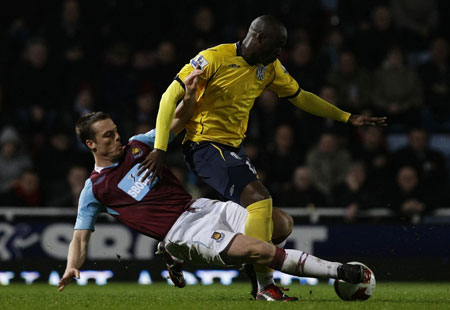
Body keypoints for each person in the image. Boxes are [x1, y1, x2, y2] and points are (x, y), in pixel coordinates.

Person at [139, 15, 386, 299]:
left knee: (280, 225)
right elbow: (168, 98)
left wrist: (346, 117)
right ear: (257, 37)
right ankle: (264, 286)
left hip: (232, 149)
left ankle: (178, 251)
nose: (280, 53)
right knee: (260, 200)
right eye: (277, 45)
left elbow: (301, 96)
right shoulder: (213, 58)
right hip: (204, 146)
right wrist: (160, 148)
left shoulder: (269, 68)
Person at [57, 110, 370, 301]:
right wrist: (73, 265)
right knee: (259, 250)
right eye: (108, 136)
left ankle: (262, 286)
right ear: (91, 144)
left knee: (282, 223)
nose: (117, 137)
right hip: (183, 232)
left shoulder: (139, 144)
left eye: (116, 131)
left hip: (202, 207)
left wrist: (190, 92)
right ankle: (338, 270)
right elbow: (80, 237)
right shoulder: (95, 190)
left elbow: (176, 121)